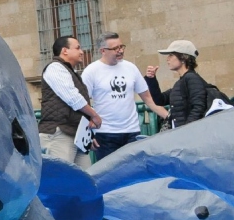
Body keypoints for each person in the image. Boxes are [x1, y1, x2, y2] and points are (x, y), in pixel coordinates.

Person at [81, 33, 169, 161]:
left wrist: (168, 116)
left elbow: (148, 99)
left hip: (132, 132)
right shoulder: (91, 71)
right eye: (115, 48)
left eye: (122, 46)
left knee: (134, 175)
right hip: (105, 134)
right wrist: (88, 135)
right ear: (103, 51)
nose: (120, 51)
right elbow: (83, 104)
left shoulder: (131, 68)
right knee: (109, 176)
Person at [39, 36, 102, 168]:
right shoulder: (55, 68)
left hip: (75, 135)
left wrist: (87, 136)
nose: (82, 51)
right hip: (59, 134)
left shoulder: (69, 72)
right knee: (62, 182)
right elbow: (73, 98)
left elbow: (77, 106)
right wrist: (94, 115)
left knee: (85, 180)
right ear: (64, 51)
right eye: (78, 48)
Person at [144, 40, 208, 129]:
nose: (167, 58)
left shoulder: (191, 79)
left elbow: (198, 107)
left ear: (183, 58)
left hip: (188, 135)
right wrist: (151, 79)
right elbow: (160, 100)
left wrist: (186, 131)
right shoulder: (182, 82)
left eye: (171, 55)